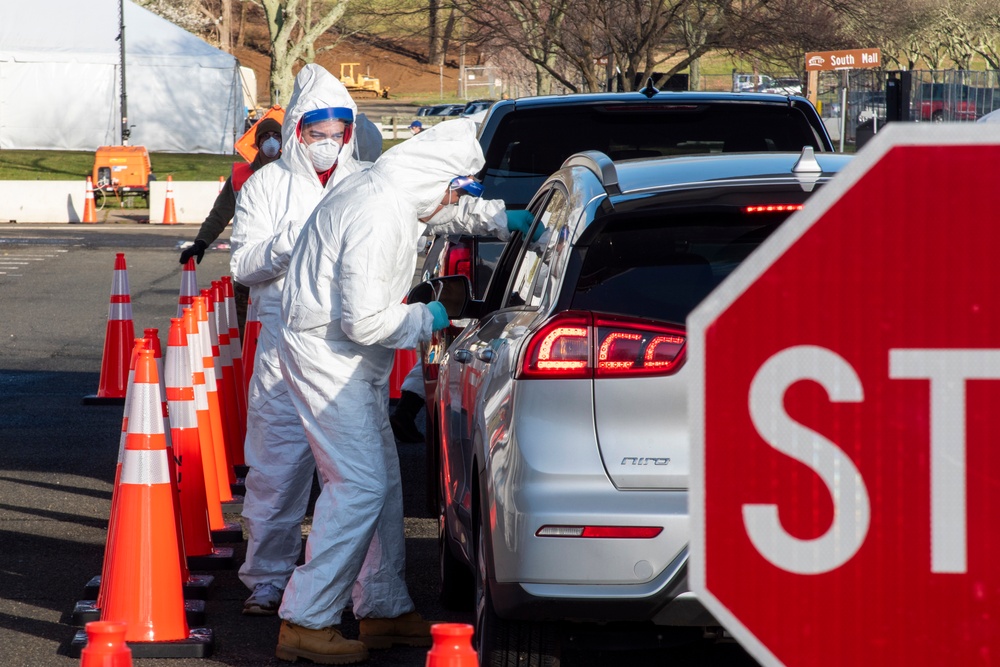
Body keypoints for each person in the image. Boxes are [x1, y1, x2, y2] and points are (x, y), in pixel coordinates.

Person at [273, 118, 533, 663]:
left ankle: (384, 609)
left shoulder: (388, 187)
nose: (453, 200)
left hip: (341, 357)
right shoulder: (378, 213)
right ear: (436, 176)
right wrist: (431, 316)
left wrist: (501, 220)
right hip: (331, 356)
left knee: (382, 482)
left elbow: (438, 207)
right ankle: (306, 618)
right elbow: (366, 321)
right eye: (455, 188)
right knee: (360, 485)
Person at [229, 63, 379, 620]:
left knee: (355, 476)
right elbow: (243, 263)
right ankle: (266, 579)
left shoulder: (363, 182)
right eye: (318, 133)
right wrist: (297, 242)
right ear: (296, 131)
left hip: (346, 345)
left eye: (338, 132)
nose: (328, 143)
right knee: (277, 465)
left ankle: (357, 587)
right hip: (283, 343)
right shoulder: (267, 185)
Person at [178, 117, 282, 332]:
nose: (271, 141)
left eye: (276, 136)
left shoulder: (294, 175)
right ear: (257, 143)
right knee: (243, 325)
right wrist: (201, 242)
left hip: (283, 263)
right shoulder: (240, 177)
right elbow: (220, 214)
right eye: (265, 137)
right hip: (249, 263)